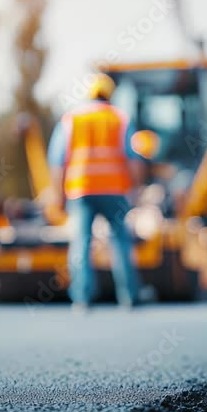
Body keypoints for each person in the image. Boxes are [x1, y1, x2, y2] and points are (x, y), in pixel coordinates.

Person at [47, 73, 144, 314]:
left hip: (81, 190)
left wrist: (58, 194)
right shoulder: (120, 118)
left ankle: (82, 298)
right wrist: (137, 189)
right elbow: (134, 159)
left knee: (81, 242)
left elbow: (58, 160)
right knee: (120, 241)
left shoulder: (72, 119)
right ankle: (129, 297)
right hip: (114, 189)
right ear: (110, 95)